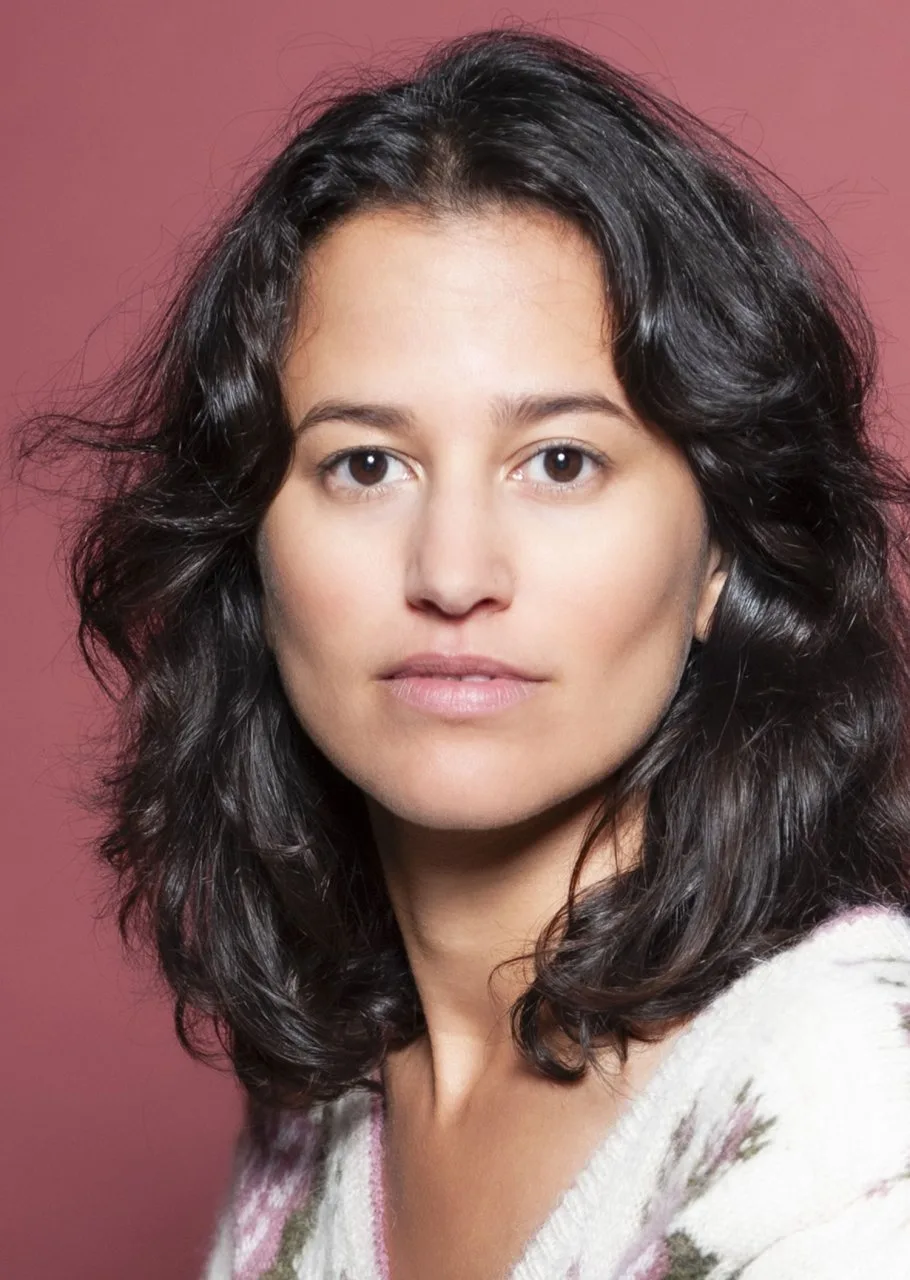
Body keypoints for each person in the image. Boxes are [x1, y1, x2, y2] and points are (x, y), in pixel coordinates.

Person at [16, 25, 910, 1280]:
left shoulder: (851, 1108)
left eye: (560, 461)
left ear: (721, 549)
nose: (450, 572)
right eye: (364, 464)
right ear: (250, 545)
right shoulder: (323, 1106)